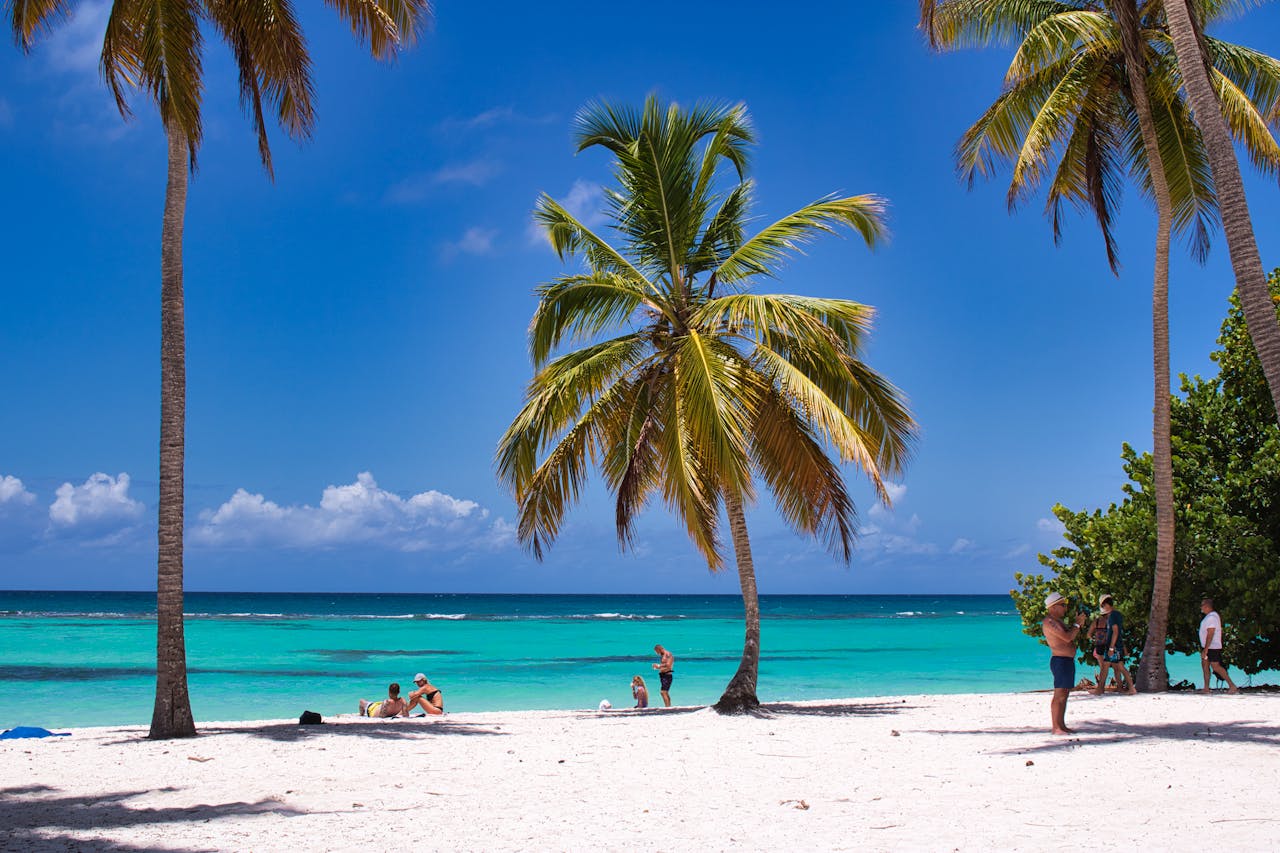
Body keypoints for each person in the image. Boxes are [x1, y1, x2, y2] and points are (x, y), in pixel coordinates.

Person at [1042, 591, 1087, 735]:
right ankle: (1056, 727)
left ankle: (1061, 725)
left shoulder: (1058, 622)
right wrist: (1077, 624)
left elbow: (1069, 635)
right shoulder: (1049, 622)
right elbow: (1067, 637)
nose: (1065, 608)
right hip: (1060, 661)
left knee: (1065, 694)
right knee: (1059, 694)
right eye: (1062, 605)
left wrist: (1077, 624)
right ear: (1053, 607)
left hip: (1066, 661)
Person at [1092, 595, 1137, 695]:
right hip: (1117, 645)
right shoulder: (1117, 614)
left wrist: (1111, 648)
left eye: (1103, 605)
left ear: (1107, 604)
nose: (1102, 608)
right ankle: (1130, 688)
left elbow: (1115, 632)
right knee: (1117, 667)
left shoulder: (1112, 615)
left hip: (1114, 646)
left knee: (1111, 667)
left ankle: (1100, 690)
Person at [1199, 598, 1239, 694]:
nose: (1201, 608)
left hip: (1212, 647)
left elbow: (1211, 633)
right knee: (1205, 665)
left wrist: (1206, 649)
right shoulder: (1209, 617)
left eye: (1202, 605)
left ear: (1207, 606)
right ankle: (1206, 688)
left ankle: (1232, 686)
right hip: (1208, 646)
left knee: (1216, 666)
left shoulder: (1212, 617)